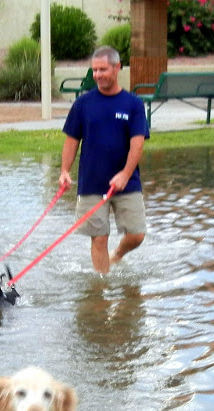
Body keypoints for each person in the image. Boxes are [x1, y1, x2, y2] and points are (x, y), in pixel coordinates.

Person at [59, 45, 150, 275]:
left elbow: (137, 142)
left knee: (137, 235)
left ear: (117, 67)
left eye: (103, 69)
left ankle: (117, 255)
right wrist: (64, 171)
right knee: (99, 238)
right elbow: (71, 141)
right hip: (91, 182)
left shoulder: (133, 104)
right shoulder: (83, 104)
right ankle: (102, 285)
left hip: (127, 182)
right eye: (95, 70)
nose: (98, 75)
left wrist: (125, 174)